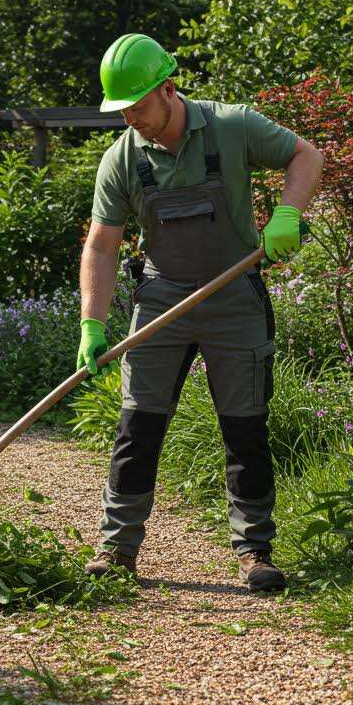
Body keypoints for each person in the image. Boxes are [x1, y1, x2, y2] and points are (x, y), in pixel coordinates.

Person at [77, 33, 323, 592]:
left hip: (234, 297)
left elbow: (306, 155)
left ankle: (255, 551)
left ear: (168, 89)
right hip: (162, 298)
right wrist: (91, 324)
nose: (130, 119)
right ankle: (117, 549)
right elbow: (101, 246)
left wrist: (288, 212)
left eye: (137, 106)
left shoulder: (233, 126)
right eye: (121, 111)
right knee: (137, 427)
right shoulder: (121, 159)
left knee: (244, 428)